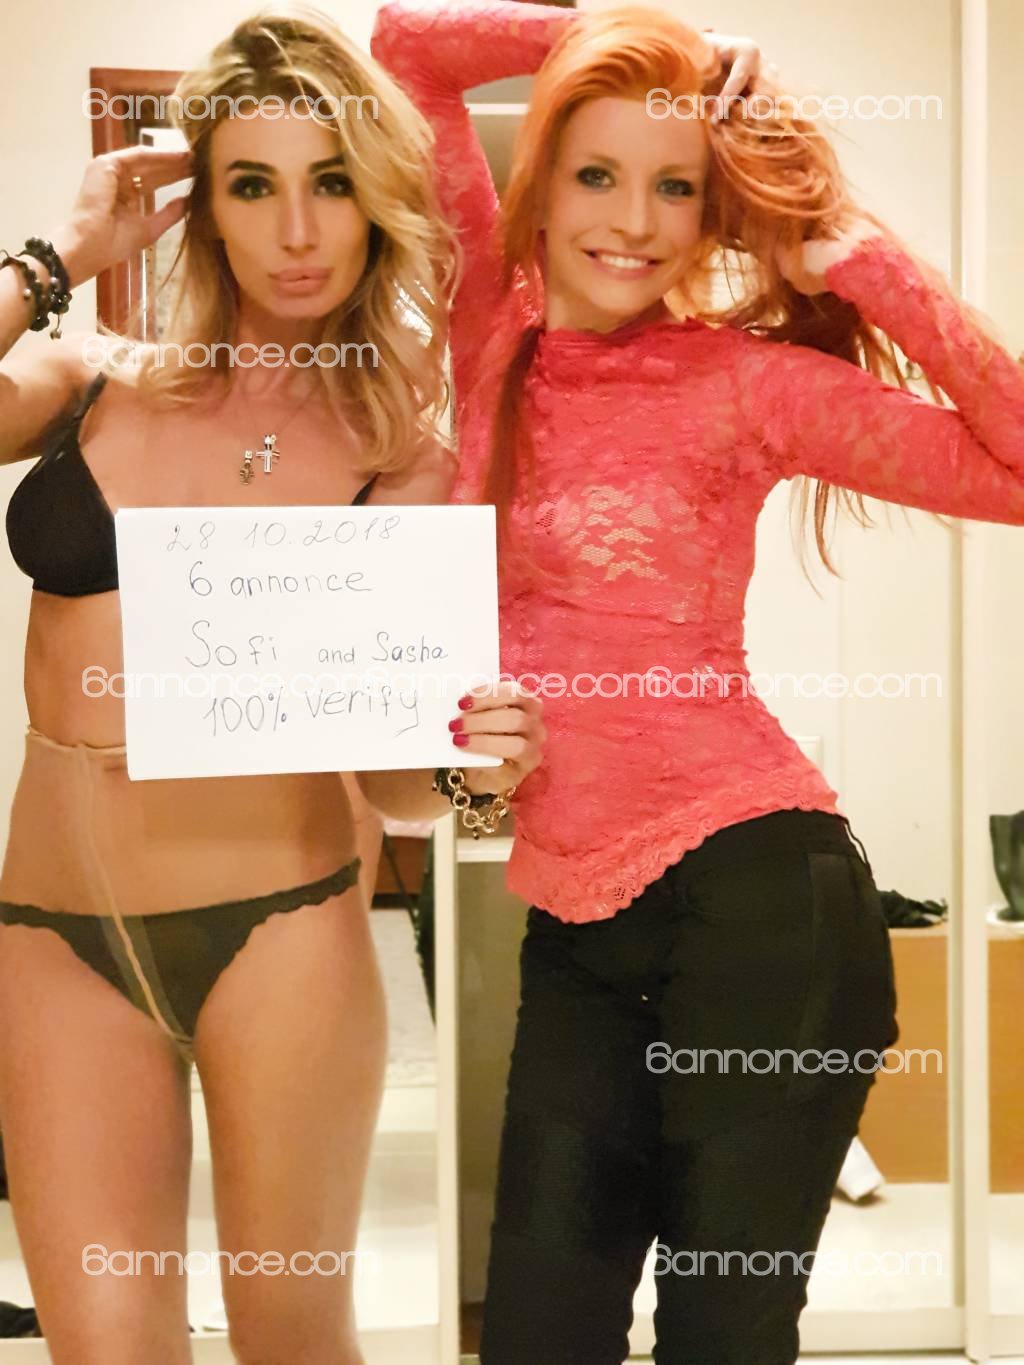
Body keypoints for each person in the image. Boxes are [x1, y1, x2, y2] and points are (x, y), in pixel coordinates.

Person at [371, 2, 1024, 1361]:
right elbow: (409, 43)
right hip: (576, 923)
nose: (634, 220)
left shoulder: (743, 383)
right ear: (540, 184)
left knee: (724, 1337)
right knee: (537, 1336)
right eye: (596, 173)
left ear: (714, 209)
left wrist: (852, 255)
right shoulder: (490, 325)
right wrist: (661, 45)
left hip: (760, 904)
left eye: (676, 186)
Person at [0, 6, 543, 1363]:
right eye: (253, 184)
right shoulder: (89, 385)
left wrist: (472, 765)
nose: (297, 231)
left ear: (376, 202)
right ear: (206, 205)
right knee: (102, 1349)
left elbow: (400, 793)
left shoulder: (401, 453)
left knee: (290, 1334)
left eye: (332, 183)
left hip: (279, 933)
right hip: (53, 939)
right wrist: (60, 256)